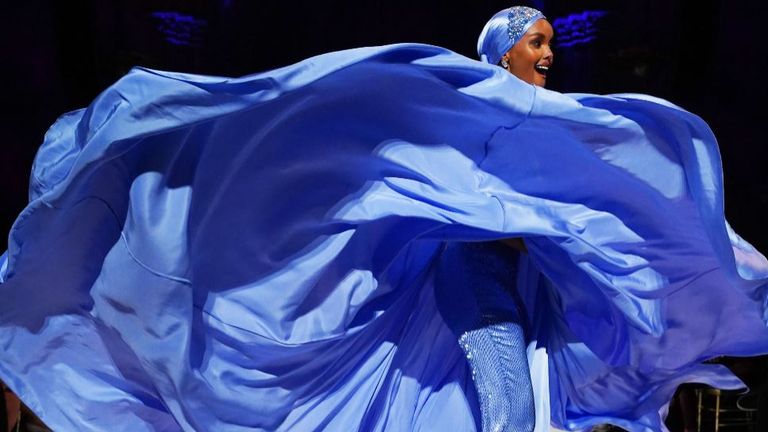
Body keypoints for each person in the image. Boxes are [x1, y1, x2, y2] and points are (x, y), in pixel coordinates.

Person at [1, 5, 768, 432]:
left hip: (520, 290)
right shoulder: (475, 102)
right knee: (508, 412)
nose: (550, 52)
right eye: (537, 41)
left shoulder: (544, 115)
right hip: (472, 281)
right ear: (503, 50)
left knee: (493, 414)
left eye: (552, 42)